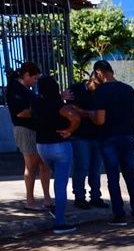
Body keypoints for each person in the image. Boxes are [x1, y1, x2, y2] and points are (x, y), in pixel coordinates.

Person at [89, 60, 134, 225]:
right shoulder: (128, 89)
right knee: (129, 174)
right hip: (127, 136)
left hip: (108, 138)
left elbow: (100, 120)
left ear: (99, 73)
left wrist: (89, 115)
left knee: (113, 177)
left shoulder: (101, 92)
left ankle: (119, 215)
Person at [31, 76, 80, 234]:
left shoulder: (36, 103)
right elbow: (75, 117)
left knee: (53, 176)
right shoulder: (59, 105)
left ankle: (54, 212)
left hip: (42, 147)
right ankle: (59, 222)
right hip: (60, 145)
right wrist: (70, 130)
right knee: (60, 185)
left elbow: (45, 105)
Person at [6, 62, 53, 212]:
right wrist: (41, 111)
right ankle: (30, 201)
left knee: (44, 164)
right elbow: (20, 112)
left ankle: (47, 199)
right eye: (34, 78)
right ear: (26, 75)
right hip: (25, 129)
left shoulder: (25, 90)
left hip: (36, 129)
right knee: (31, 165)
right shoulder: (15, 90)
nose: (36, 82)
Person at [66, 74, 106, 210]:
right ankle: (79, 197)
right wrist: (92, 114)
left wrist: (85, 112)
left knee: (95, 168)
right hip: (79, 135)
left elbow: (102, 113)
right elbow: (71, 111)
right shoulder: (75, 89)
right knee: (81, 166)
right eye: (97, 85)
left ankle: (95, 196)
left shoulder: (101, 92)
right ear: (90, 80)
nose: (98, 89)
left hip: (97, 134)